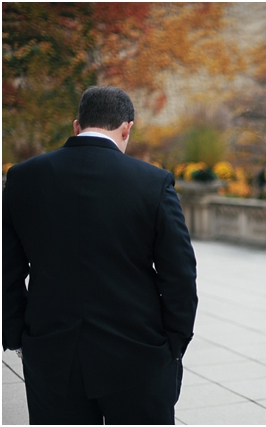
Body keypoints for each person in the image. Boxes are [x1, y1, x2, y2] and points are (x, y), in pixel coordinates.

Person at [2, 85, 198, 425]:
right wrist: (174, 346)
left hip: (52, 352)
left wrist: (17, 336)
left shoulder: (22, 178)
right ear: (127, 128)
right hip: (138, 352)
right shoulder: (153, 182)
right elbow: (180, 273)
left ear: (77, 126)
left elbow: (7, 268)